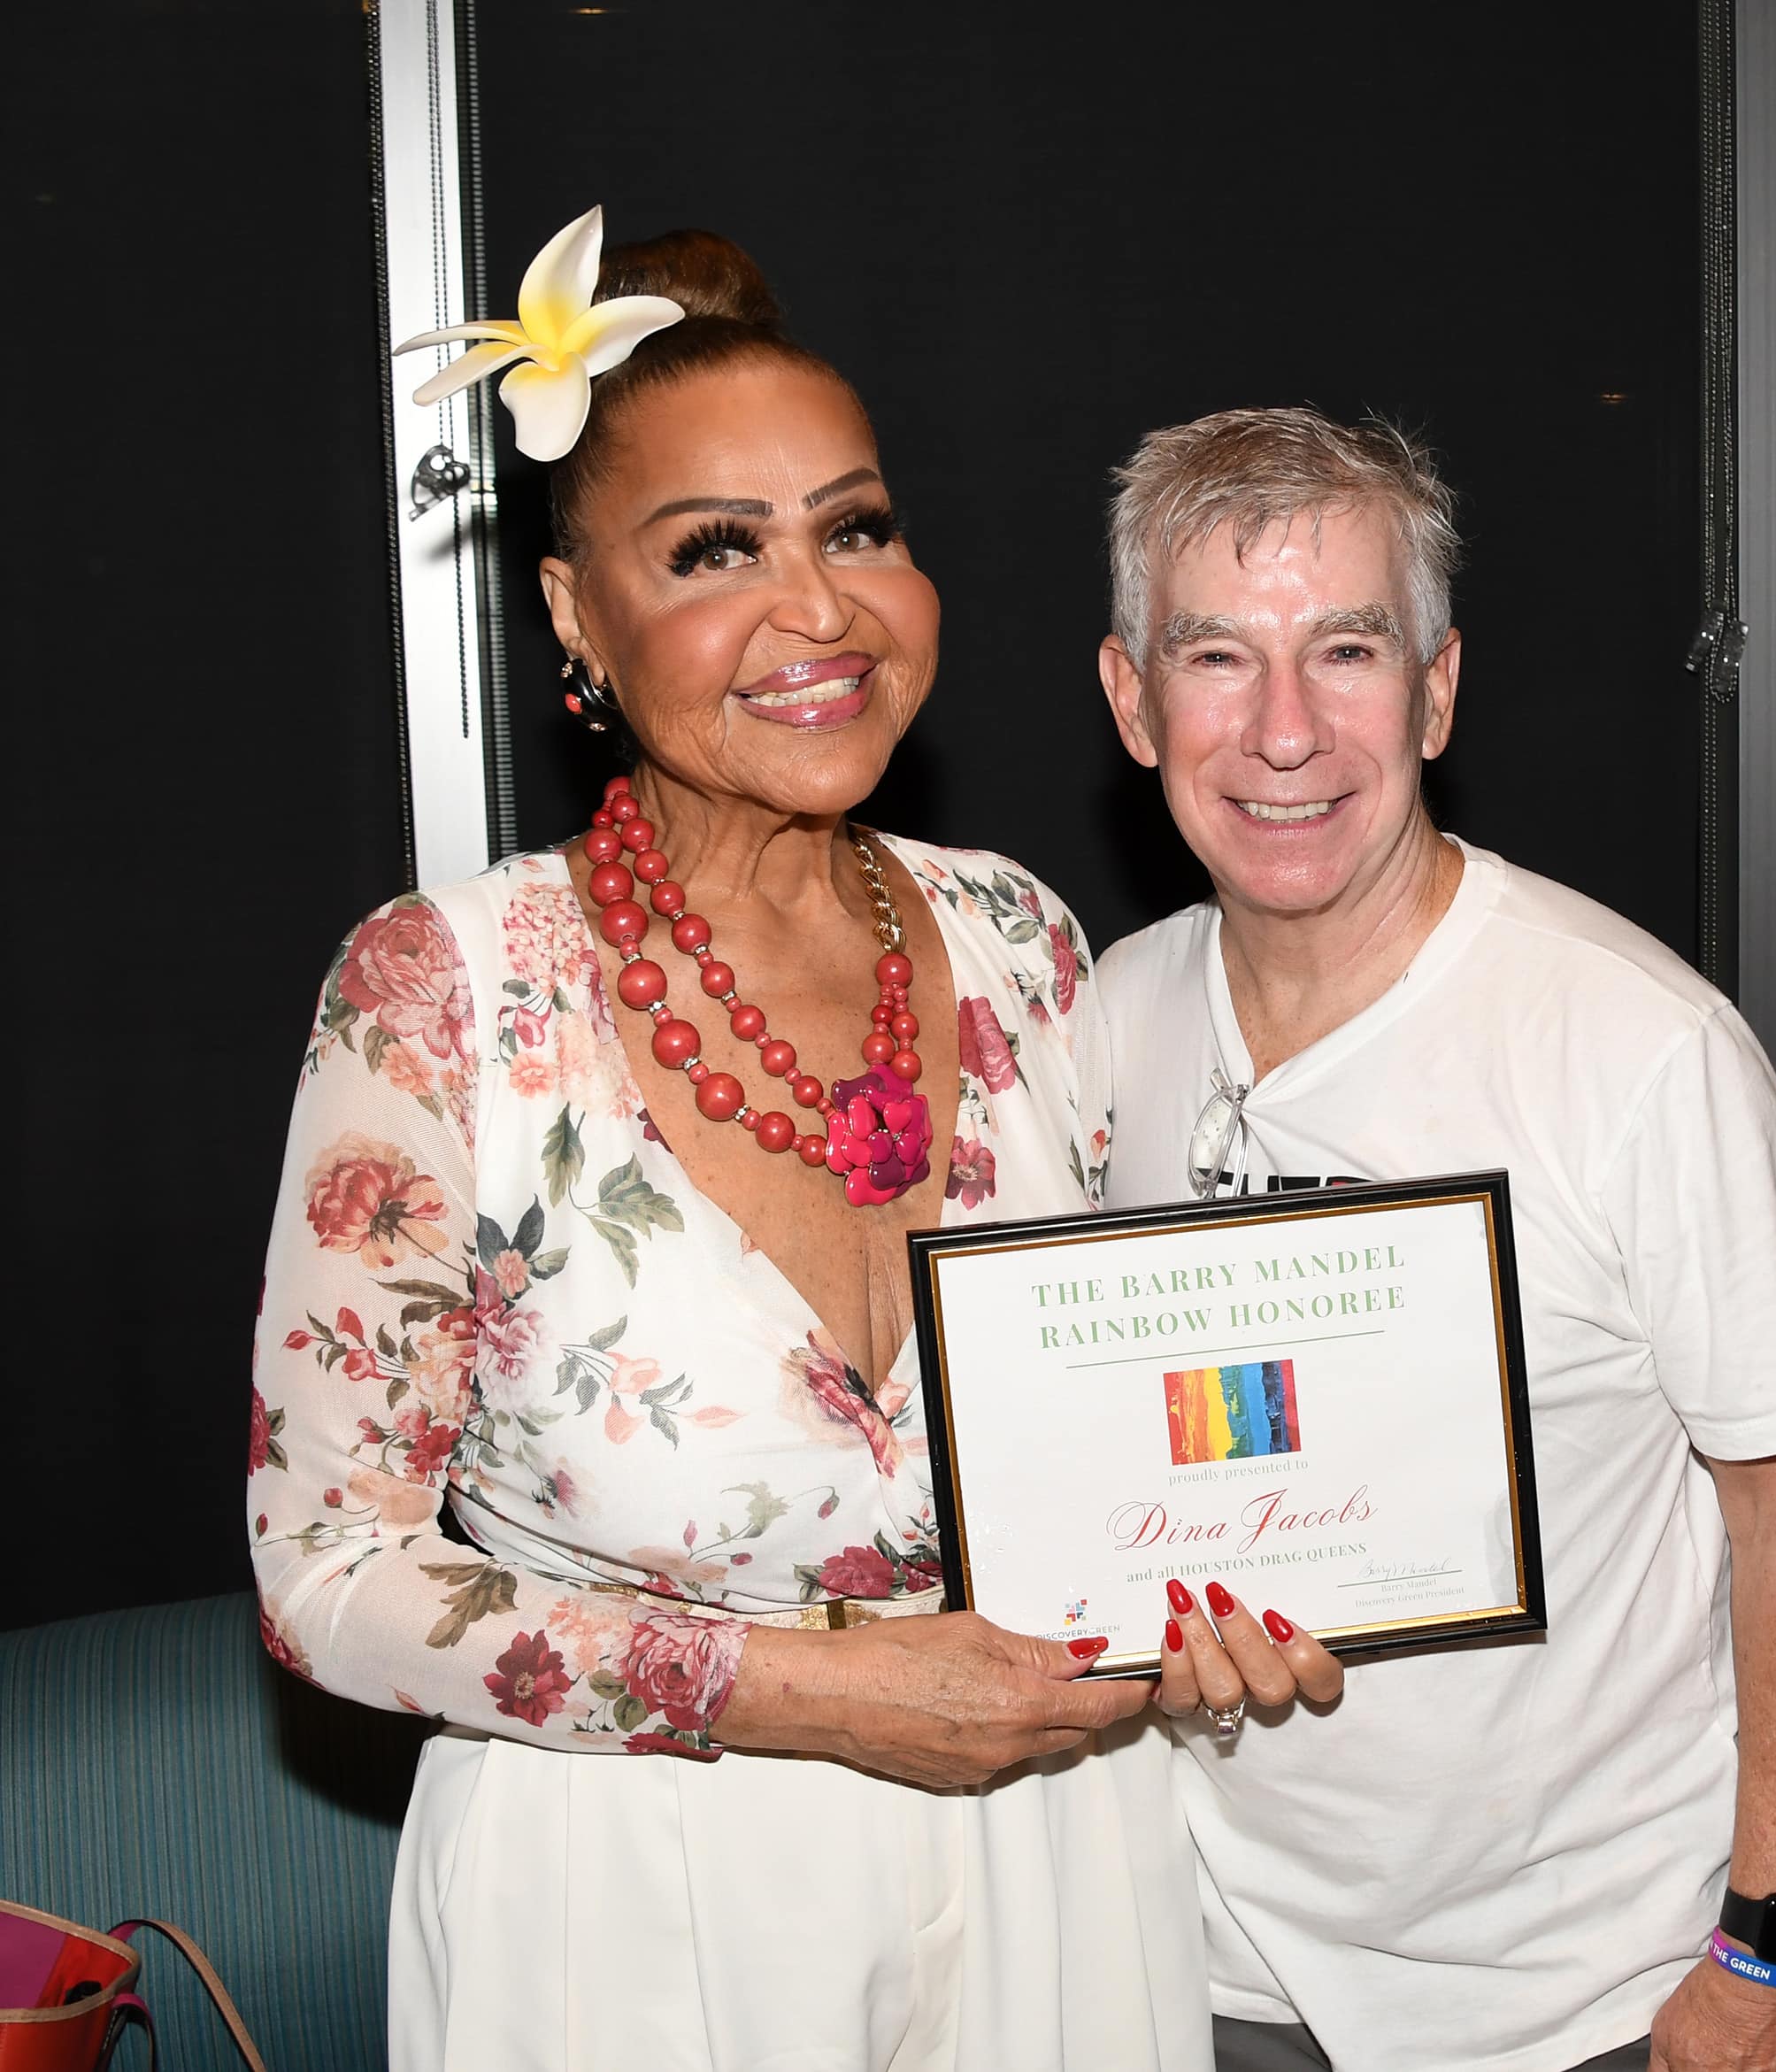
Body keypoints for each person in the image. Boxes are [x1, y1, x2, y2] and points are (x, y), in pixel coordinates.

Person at [249, 207, 1208, 2072]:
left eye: (857, 526)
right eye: (714, 550)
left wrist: (1237, 1582)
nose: (822, 609)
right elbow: (322, 1575)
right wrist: (811, 1692)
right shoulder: (443, 991)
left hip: (1053, 1849)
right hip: (624, 1888)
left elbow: (1123, 1414)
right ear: (573, 614)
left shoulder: (1020, 937)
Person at [1096, 407, 1776, 2072]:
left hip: (1584, 2000)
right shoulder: (1101, 1022)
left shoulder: (1638, 1048)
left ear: (1438, 690)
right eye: (1218, 655)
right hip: (1196, 1963)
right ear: (1132, 698)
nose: (1285, 729)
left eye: (1349, 649)